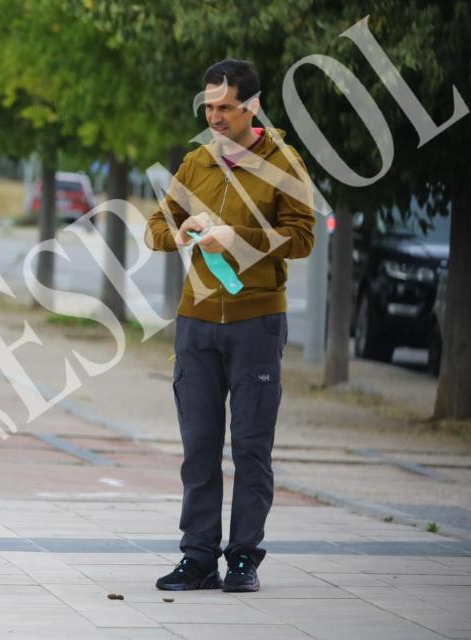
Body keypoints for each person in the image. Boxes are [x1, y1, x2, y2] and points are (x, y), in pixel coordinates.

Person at [146, 59, 315, 592]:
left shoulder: (284, 161)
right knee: (198, 447)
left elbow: (303, 237)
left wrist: (235, 236)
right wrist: (183, 230)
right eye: (209, 107)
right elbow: (156, 226)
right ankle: (197, 558)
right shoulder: (196, 161)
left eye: (226, 107)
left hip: (257, 321)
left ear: (253, 106)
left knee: (250, 447)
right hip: (196, 322)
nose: (215, 116)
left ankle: (243, 557)